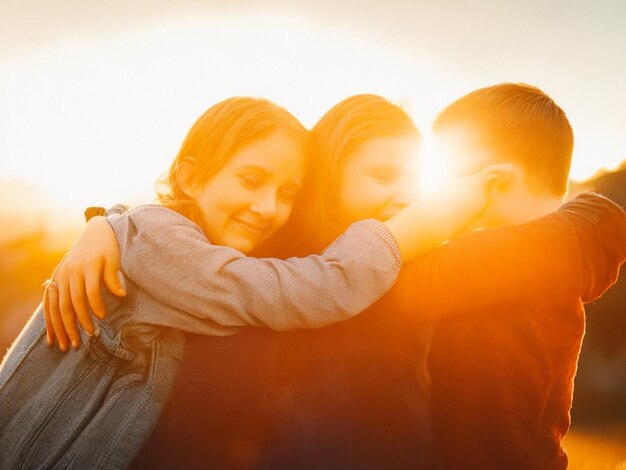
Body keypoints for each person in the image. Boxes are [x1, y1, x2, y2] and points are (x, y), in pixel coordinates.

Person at [45, 88, 625, 470]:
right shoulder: (269, 270)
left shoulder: (417, 274)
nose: (407, 198)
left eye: (414, 180)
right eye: (380, 174)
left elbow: (543, 248)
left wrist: (595, 220)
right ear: (329, 178)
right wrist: (116, 224)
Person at [417, 84, 626, 469]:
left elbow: (408, 284)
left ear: (495, 180)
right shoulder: (561, 250)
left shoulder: (511, 258)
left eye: (453, 178)